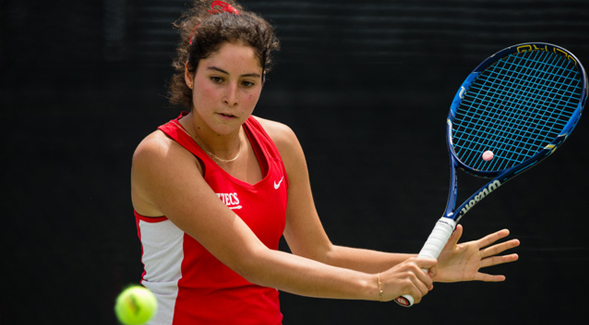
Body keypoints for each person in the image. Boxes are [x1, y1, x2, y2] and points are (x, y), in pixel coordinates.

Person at [130, 1, 520, 323]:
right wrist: (378, 286)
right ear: (190, 73)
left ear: (262, 83)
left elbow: (319, 253)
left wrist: (424, 263)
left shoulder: (279, 141)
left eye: (247, 82)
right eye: (218, 79)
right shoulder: (161, 156)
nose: (232, 96)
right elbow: (251, 260)